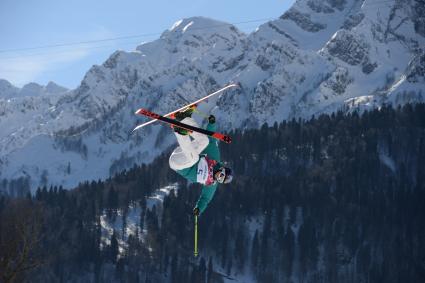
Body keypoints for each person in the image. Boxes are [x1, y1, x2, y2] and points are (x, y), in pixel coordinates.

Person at [168, 106, 233, 216]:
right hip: (182, 152)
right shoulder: (214, 157)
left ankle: (180, 131)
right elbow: (211, 138)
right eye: (221, 175)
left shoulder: (211, 184)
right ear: (222, 169)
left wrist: (198, 209)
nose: (218, 178)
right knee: (205, 141)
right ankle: (184, 120)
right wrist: (212, 124)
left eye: (221, 180)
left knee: (194, 159)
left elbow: (205, 199)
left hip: (177, 164)